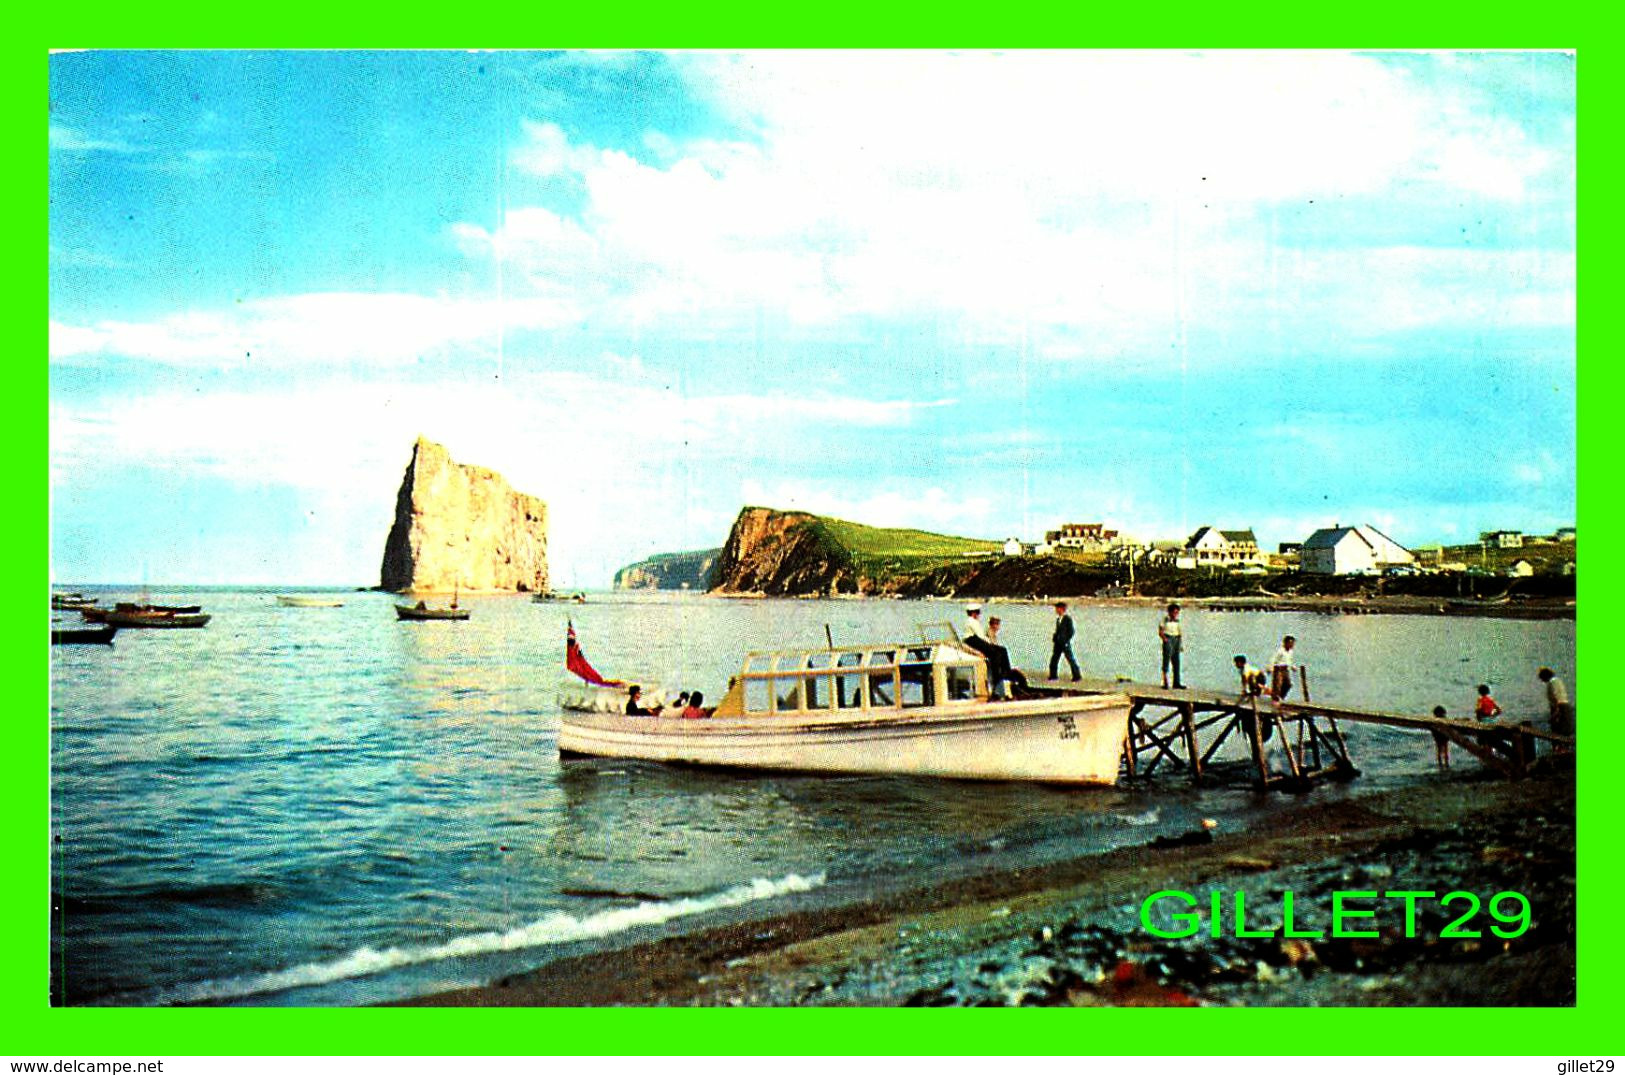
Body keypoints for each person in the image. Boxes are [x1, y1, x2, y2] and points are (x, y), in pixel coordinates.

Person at [987, 617, 1029, 697]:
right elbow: (994, 648)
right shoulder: (990, 633)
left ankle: (1019, 687)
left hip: (1000, 666)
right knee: (1003, 650)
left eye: (998, 624)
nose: (998, 627)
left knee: (1017, 674)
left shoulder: (993, 634)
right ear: (993, 625)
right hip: (999, 668)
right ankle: (1008, 673)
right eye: (996, 624)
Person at [1049, 601, 1081, 682]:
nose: (1056, 610)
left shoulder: (1067, 619)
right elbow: (1058, 631)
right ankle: (1053, 676)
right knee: (1054, 659)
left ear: (1061, 609)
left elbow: (1071, 631)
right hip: (1058, 643)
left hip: (1065, 643)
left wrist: (1066, 640)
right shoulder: (1058, 619)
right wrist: (1055, 637)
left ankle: (1077, 676)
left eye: (1057, 608)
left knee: (1070, 659)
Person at [1538, 667, 1574, 736]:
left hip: (1560, 711)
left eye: (1541, 678)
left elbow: (1557, 699)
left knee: (1558, 734)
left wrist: (1554, 716)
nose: (1541, 680)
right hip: (1566, 708)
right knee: (1567, 734)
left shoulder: (1551, 683)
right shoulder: (1558, 681)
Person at [1158, 604, 1184, 689]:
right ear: (1170, 612)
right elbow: (1160, 631)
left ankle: (1176, 683)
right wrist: (1165, 639)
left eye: (1177, 612)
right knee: (1166, 661)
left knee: (1176, 662)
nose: (1176, 614)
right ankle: (1165, 682)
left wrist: (1180, 644)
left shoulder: (1178, 621)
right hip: (1168, 638)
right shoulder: (1164, 620)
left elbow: (1180, 633)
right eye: (1174, 612)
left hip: (1176, 639)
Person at [1269, 636, 1298, 701]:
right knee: (1278, 685)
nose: (1292, 645)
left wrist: (1292, 666)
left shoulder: (1290, 651)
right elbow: (1273, 659)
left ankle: (1281, 697)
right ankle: (1275, 699)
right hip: (1278, 669)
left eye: (1293, 643)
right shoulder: (1280, 651)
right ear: (1285, 643)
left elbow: (1289, 661)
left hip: (1285, 669)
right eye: (1290, 643)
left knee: (1288, 684)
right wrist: (1270, 668)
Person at [1430, 705, 1451, 769]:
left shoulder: (1435, 720)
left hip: (1439, 735)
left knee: (1439, 750)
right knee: (1445, 750)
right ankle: (1446, 764)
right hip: (1443, 735)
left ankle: (1441, 764)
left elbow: (1432, 729)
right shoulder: (1445, 719)